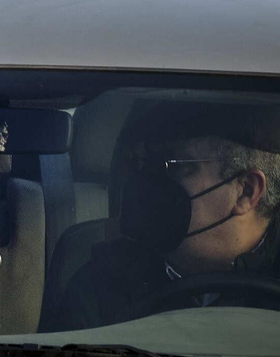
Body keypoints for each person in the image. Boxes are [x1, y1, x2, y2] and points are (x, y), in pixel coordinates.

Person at [48, 105, 280, 331]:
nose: (151, 181)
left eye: (174, 166)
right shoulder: (101, 283)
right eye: (147, 163)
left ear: (246, 191)